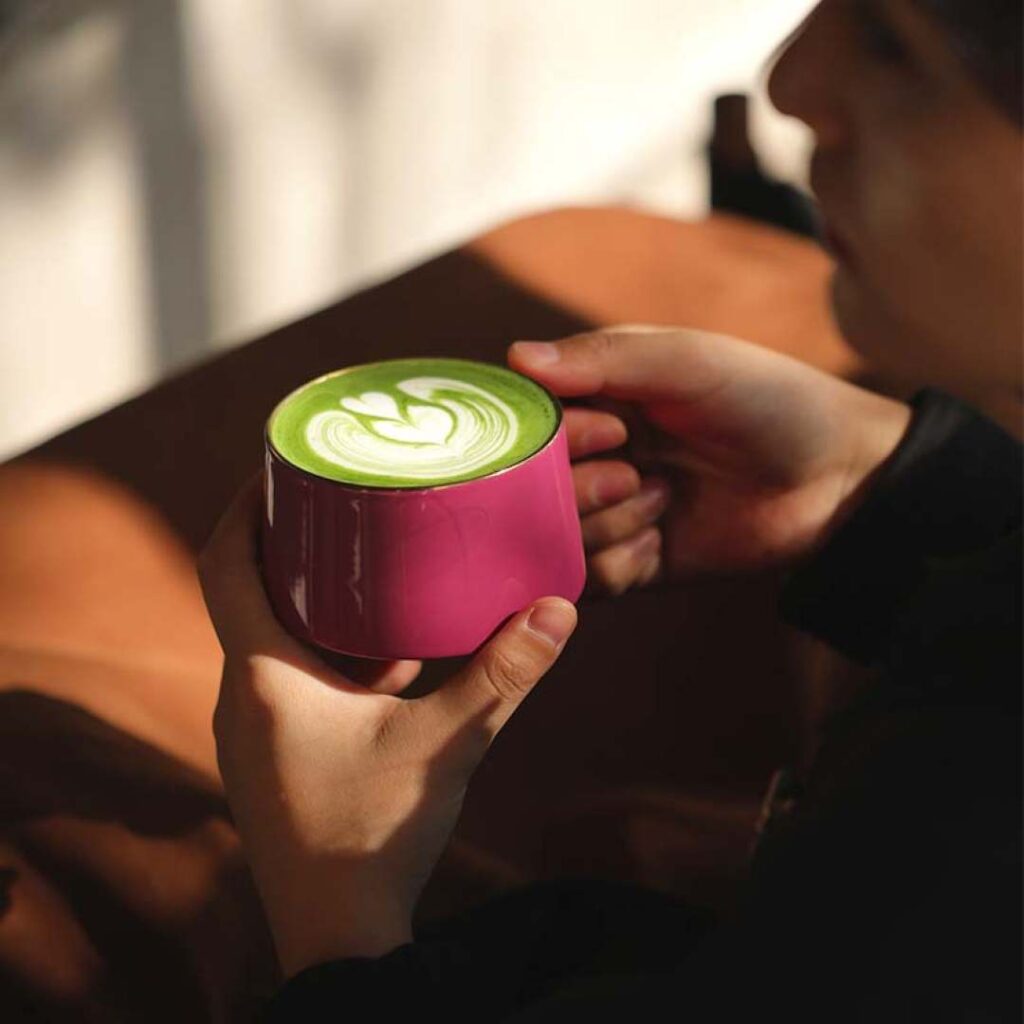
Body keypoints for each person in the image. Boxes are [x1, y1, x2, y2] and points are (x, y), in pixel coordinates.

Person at [198, 0, 1022, 1019]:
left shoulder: (965, 844)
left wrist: (336, 909)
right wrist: (903, 488)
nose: (788, 81)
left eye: (895, 41)